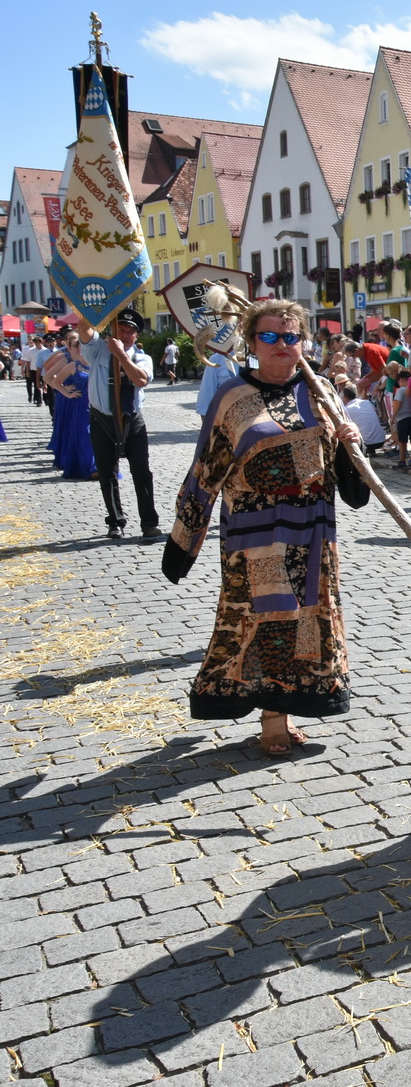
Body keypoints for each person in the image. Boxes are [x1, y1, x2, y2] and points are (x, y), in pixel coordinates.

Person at [162, 298, 367, 754]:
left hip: (313, 528)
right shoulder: (231, 398)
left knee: (306, 622)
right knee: (262, 619)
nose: (281, 345)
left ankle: (284, 708)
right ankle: (272, 720)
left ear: (303, 342)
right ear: (252, 342)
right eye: (269, 336)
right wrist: (182, 543)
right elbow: (205, 470)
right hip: (255, 533)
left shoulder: (322, 394)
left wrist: (351, 446)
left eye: (291, 336)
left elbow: (351, 483)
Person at [78, 309, 160, 540]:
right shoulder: (97, 350)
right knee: (107, 473)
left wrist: (121, 356)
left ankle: (149, 523)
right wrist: (100, 308)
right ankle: (115, 522)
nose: (125, 334)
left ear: (136, 336)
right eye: (121, 329)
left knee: (141, 471)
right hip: (102, 419)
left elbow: (140, 380)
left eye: (130, 331)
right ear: (112, 330)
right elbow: (83, 328)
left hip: (131, 420)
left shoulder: (142, 357)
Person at [42, 339, 96, 480]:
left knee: (97, 436)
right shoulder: (71, 364)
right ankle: (91, 468)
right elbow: (51, 378)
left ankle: (98, 465)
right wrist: (66, 392)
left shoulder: (96, 363)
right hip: (78, 404)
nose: (80, 350)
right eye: (77, 347)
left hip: (96, 405)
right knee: (84, 435)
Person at [343, 383, 388, 456]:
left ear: (345, 397)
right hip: (381, 440)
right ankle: (371, 451)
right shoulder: (367, 402)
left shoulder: (347, 409)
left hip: (365, 443)